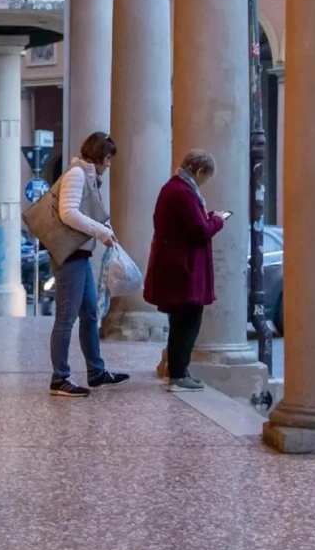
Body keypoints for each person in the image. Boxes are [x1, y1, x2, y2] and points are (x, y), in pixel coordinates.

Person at [48, 132, 129, 398]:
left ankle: (96, 371)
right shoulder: (76, 174)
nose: (109, 164)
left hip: (80, 255)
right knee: (66, 318)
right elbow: (68, 213)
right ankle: (59, 378)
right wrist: (101, 232)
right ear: (98, 155)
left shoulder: (88, 177)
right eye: (108, 158)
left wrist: (106, 230)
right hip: (69, 255)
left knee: (90, 315)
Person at [143, 150, 227, 392]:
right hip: (183, 268)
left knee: (180, 320)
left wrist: (207, 217)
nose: (205, 182)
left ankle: (178, 370)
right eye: (206, 177)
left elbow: (189, 223)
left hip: (175, 265)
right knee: (187, 321)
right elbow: (200, 230)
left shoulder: (173, 188)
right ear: (198, 171)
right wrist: (217, 221)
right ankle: (178, 375)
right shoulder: (183, 192)